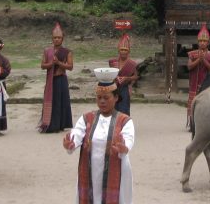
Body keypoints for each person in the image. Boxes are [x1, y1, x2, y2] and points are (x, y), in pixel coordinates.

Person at [63, 70, 134, 204]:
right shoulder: (87, 118)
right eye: (99, 97)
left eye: (106, 98)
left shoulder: (125, 121)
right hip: (90, 171)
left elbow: (128, 140)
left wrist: (124, 148)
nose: (102, 101)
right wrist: (71, 143)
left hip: (116, 171)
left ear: (116, 98)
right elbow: (77, 134)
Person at [39, 22, 74, 133]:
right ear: (52, 39)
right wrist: (51, 64)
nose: (57, 39)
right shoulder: (47, 51)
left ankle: (61, 125)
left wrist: (58, 63)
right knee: (52, 102)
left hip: (61, 80)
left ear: (62, 39)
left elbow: (70, 67)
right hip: (51, 80)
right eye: (55, 38)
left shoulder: (67, 52)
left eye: (59, 37)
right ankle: (50, 124)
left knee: (61, 102)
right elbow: (42, 65)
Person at [186, 23, 210, 128]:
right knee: (193, 102)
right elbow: (189, 66)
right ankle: (193, 125)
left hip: (206, 81)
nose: (202, 43)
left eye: (204, 41)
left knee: (206, 103)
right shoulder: (192, 54)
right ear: (198, 42)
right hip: (194, 81)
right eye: (200, 41)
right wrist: (198, 60)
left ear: (208, 43)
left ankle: (206, 124)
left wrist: (203, 60)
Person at [109, 33, 138, 116]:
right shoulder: (113, 62)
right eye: (122, 50)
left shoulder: (132, 64)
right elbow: (109, 74)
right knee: (113, 108)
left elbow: (136, 77)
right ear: (119, 50)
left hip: (125, 89)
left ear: (128, 51)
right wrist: (115, 77)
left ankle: (124, 126)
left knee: (124, 109)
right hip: (114, 87)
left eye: (125, 50)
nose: (123, 52)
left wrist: (127, 78)